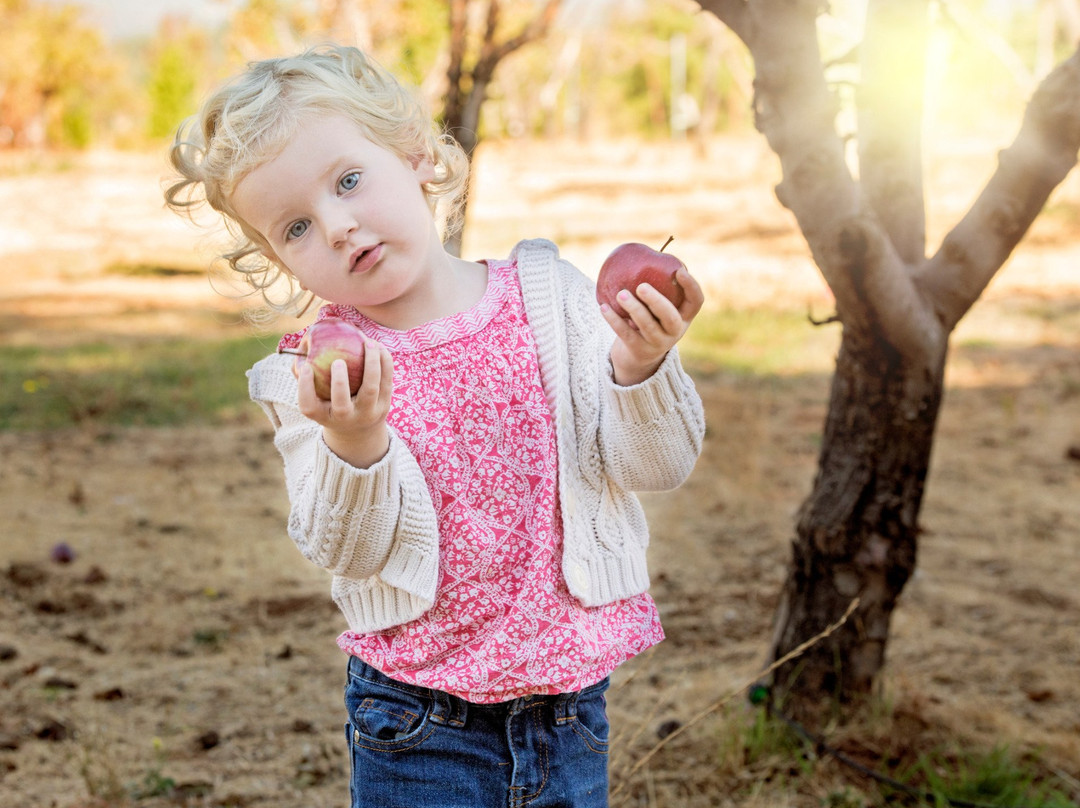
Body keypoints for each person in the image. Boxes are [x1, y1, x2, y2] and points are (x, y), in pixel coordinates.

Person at [166, 44, 706, 808]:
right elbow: (342, 548)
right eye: (295, 227)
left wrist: (641, 366)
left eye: (349, 181)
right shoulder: (310, 378)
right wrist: (355, 445)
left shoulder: (548, 299)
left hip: (568, 712)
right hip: (417, 723)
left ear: (416, 154)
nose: (340, 226)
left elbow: (657, 464)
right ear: (273, 255)